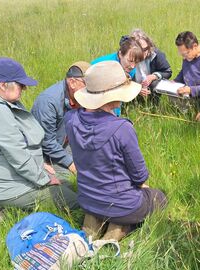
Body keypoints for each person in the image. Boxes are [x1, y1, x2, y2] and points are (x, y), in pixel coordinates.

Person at [0, 57, 78, 227]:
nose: (24, 88)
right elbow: (19, 158)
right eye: (20, 84)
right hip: (9, 187)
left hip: (15, 178)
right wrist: (44, 179)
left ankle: (10, 210)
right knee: (76, 203)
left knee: (67, 183)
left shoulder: (5, 103)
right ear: (3, 85)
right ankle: (8, 208)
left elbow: (19, 148)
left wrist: (41, 165)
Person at [65, 61, 167, 241]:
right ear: (113, 96)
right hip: (122, 204)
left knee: (107, 203)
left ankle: (94, 224)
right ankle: (118, 226)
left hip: (87, 200)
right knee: (158, 197)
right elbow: (140, 176)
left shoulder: (71, 119)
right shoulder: (122, 128)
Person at [31, 61, 90, 178]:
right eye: (87, 84)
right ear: (72, 82)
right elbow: (47, 142)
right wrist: (70, 163)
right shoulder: (48, 101)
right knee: (71, 178)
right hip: (45, 154)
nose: (91, 88)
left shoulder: (80, 96)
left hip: (65, 143)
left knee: (96, 163)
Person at [91, 37, 145, 116]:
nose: (133, 66)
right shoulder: (106, 65)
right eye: (130, 61)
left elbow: (120, 92)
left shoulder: (131, 69)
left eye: (136, 62)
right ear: (120, 54)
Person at [128, 29, 172, 101]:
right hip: (132, 90)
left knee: (155, 83)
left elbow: (168, 72)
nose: (144, 52)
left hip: (150, 88)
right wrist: (137, 89)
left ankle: (154, 104)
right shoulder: (127, 59)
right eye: (140, 50)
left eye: (146, 49)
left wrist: (153, 76)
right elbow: (123, 81)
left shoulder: (156, 54)